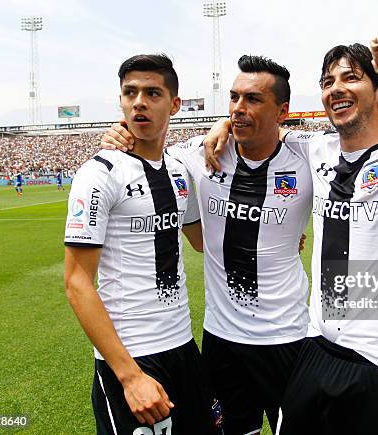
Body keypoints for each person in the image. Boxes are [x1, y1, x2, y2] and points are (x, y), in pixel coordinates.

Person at [204, 35, 378, 434]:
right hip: (317, 348)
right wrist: (224, 121)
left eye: (351, 78)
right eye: (327, 81)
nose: (335, 88)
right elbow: (260, 124)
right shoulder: (314, 149)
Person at [101, 55, 314, 435]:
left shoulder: (308, 159)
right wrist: (120, 135)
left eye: (252, 99)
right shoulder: (201, 154)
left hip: (286, 338)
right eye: (233, 98)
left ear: (282, 111)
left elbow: (354, 147)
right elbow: (150, 147)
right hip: (221, 339)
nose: (238, 109)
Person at [64, 54, 221, 435]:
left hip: (183, 345)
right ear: (120, 102)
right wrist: (130, 377)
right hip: (133, 356)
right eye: (130, 92)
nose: (139, 102)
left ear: (175, 104)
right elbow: (77, 282)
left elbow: (202, 241)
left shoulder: (180, 169)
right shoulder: (99, 174)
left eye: (152, 92)